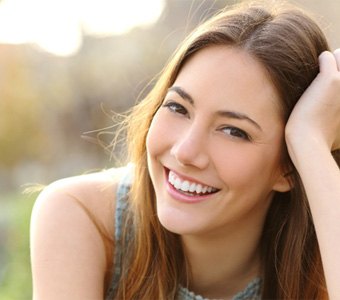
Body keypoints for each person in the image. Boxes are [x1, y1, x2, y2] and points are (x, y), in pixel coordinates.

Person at [30, 0, 340, 299]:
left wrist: (311, 144)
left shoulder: (324, 251)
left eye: (234, 131)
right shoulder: (82, 217)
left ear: (288, 167)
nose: (185, 151)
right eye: (178, 108)